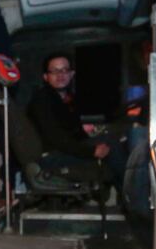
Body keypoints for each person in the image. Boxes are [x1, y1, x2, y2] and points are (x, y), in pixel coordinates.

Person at [27, 52, 127, 192]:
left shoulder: (67, 100)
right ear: (46, 77)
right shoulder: (42, 100)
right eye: (55, 71)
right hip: (52, 156)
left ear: (71, 74)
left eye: (64, 70)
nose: (61, 75)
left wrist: (94, 139)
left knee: (115, 138)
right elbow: (57, 139)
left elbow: (75, 134)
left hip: (64, 150)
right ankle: (132, 197)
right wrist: (92, 151)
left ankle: (126, 194)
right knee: (112, 145)